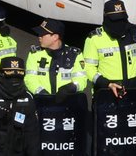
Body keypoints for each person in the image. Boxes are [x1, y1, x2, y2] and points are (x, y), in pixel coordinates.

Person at [83, 0, 136, 154]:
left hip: (134, 91)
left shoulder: (134, 32)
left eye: (122, 19)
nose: (119, 24)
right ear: (106, 18)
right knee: (107, 139)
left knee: (133, 137)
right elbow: (88, 68)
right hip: (107, 95)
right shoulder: (94, 39)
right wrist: (107, 84)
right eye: (115, 20)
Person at [25, 18, 88, 154]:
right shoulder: (34, 54)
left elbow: (82, 79)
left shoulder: (75, 54)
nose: (39, 37)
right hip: (41, 108)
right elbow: (30, 78)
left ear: (55, 37)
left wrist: (70, 87)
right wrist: (43, 94)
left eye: (43, 34)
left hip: (66, 109)